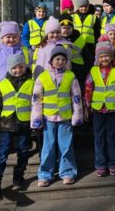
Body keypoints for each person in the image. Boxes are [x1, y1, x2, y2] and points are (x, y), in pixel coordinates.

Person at [31, 46, 84, 187]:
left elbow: (76, 97)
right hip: (48, 118)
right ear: (51, 61)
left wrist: (77, 115)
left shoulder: (71, 76)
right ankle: (45, 174)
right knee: (48, 147)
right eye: (57, 59)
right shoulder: (43, 77)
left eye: (63, 59)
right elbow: (36, 99)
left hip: (65, 117)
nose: (60, 62)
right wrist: (36, 118)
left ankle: (67, 172)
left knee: (65, 146)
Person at [0, 53, 33, 201]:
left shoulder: (31, 83)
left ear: (25, 66)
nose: (18, 70)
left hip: (24, 124)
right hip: (6, 125)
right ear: (9, 69)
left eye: (20, 67)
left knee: (24, 152)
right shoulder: (3, 84)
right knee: (2, 155)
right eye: (14, 68)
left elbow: (36, 103)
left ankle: (18, 175)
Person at [84, 40, 115, 177]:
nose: (104, 59)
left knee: (112, 138)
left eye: (106, 56)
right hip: (97, 110)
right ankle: (101, 164)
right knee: (99, 138)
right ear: (97, 58)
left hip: (112, 110)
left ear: (111, 56)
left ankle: (113, 163)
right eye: (101, 56)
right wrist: (87, 106)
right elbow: (88, 88)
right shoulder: (93, 70)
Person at [0, 21, 32, 98]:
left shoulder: (25, 52)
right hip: (0, 93)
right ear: (2, 38)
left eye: (14, 37)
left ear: (19, 38)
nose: (11, 39)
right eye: (8, 37)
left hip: (22, 93)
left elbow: (31, 70)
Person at [60, 14, 88, 86]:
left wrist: (88, 70)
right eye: (64, 28)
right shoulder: (57, 40)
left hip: (78, 69)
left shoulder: (79, 39)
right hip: (62, 68)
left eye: (69, 28)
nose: (66, 30)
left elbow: (87, 56)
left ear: (72, 28)